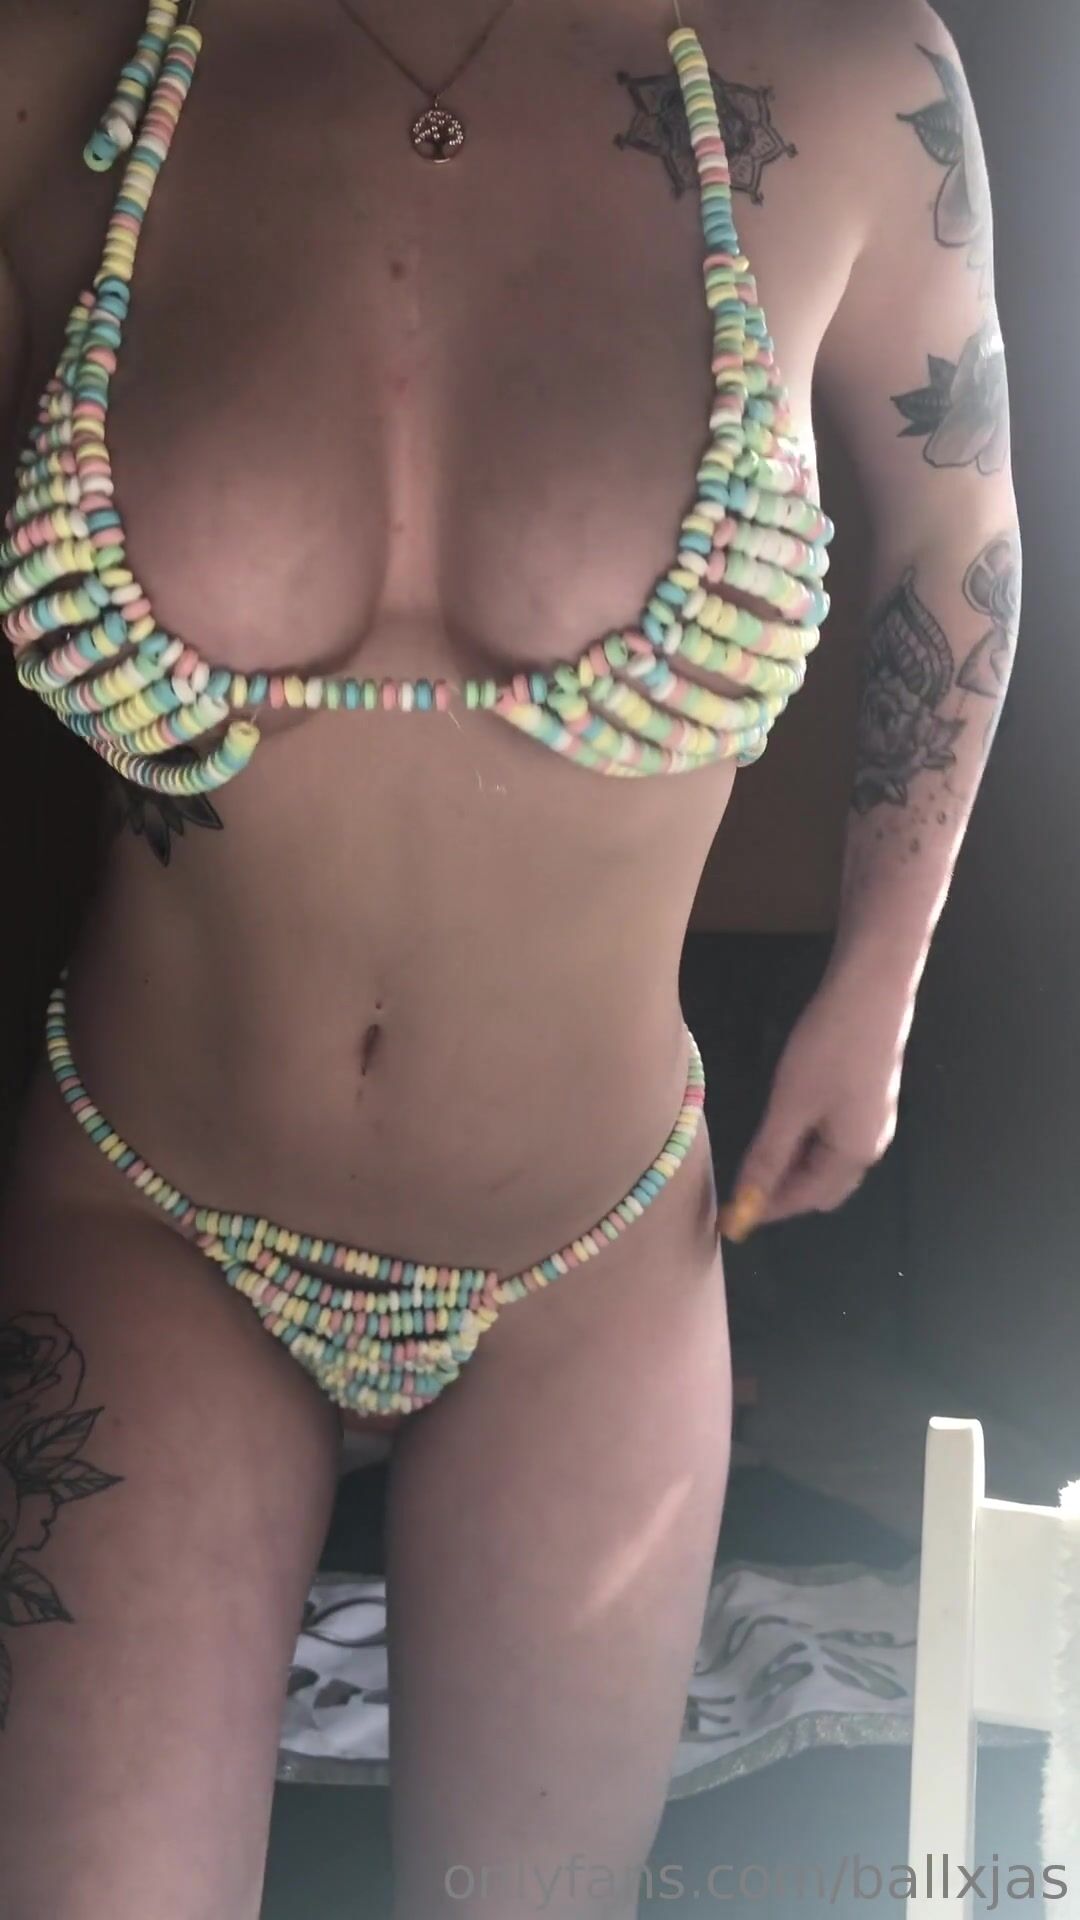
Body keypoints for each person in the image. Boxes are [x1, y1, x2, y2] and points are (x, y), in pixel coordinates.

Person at [0, 0, 1019, 1914]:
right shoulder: (64, 70)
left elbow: (958, 527)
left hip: (587, 1258)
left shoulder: (850, 72)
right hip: (146, 1215)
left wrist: (880, 981)